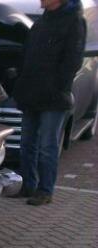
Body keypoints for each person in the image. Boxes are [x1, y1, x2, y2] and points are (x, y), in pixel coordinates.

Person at [12, 0, 86, 206]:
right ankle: (28, 185)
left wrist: (59, 87)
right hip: (31, 94)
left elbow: (73, 59)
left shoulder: (74, 22)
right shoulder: (41, 23)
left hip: (53, 98)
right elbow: (27, 56)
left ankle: (45, 191)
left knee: (47, 145)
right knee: (27, 143)